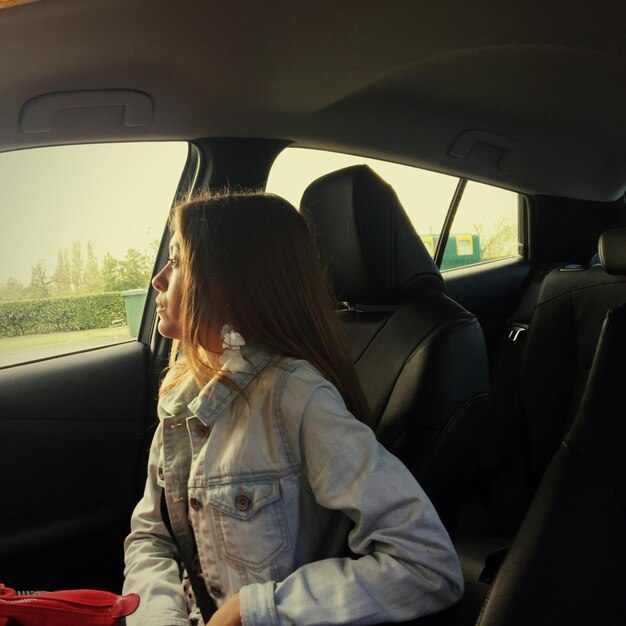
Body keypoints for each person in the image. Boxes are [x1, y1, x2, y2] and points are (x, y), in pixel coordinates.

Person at [122, 191, 464, 626]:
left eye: (177, 261)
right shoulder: (181, 401)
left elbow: (427, 564)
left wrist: (253, 609)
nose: (159, 279)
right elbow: (153, 539)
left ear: (229, 281)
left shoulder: (294, 397)